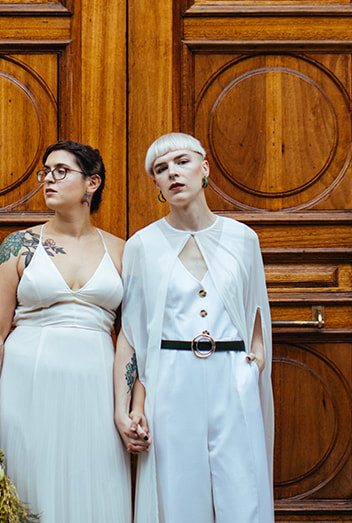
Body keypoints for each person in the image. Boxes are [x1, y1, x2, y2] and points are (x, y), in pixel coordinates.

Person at [0, 139, 131, 523]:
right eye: (46, 172)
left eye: (61, 171)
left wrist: (129, 408)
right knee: (29, 479)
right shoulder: (19, 246)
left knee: (95, 481)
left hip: (95, 387)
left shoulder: (123, 251)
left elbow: (134, 334)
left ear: (92, 184)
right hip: (28, 385)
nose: (48, 180)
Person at [116, 132, 274, 523]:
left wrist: (253, 365)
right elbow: (134, 335)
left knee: (244, 487)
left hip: (232, 373)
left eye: (182, 162)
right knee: (177, 491)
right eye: (161, 169)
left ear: (204, 168)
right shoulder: (142, 245)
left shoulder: (243, 238)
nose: (172, 173)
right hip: (171, 377)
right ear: (155, 184)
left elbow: (256, 313)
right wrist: (131, 408)